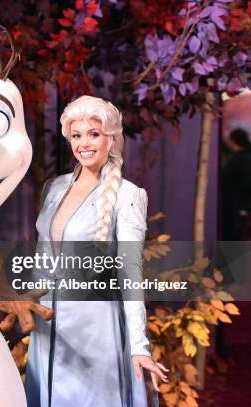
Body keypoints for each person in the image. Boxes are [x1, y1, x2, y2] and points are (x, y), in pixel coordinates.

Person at [25, 96, 168, 407]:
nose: (84, 143)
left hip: (95, 332)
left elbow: (131, 274)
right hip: (47, 327)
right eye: (77, 135)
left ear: (111, 138)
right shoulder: (55, 187)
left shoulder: (128, 195)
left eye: (94, 134)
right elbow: (41, 258)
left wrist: (139, 346)